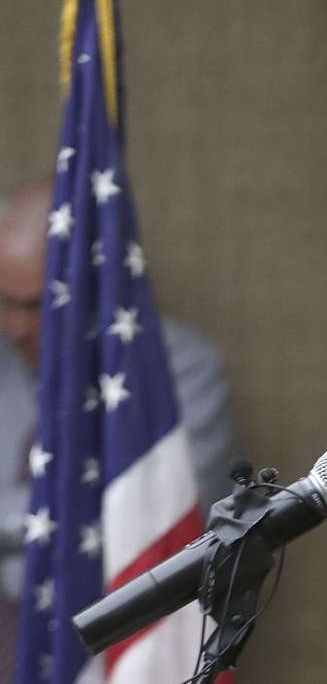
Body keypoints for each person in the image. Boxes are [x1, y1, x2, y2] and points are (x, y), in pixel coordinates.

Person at [0, 179, 238, 677]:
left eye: (37, 305)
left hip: (120, 650)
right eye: (4, 301)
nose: (17, 327)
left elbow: (155, 522)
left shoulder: (176, 371)